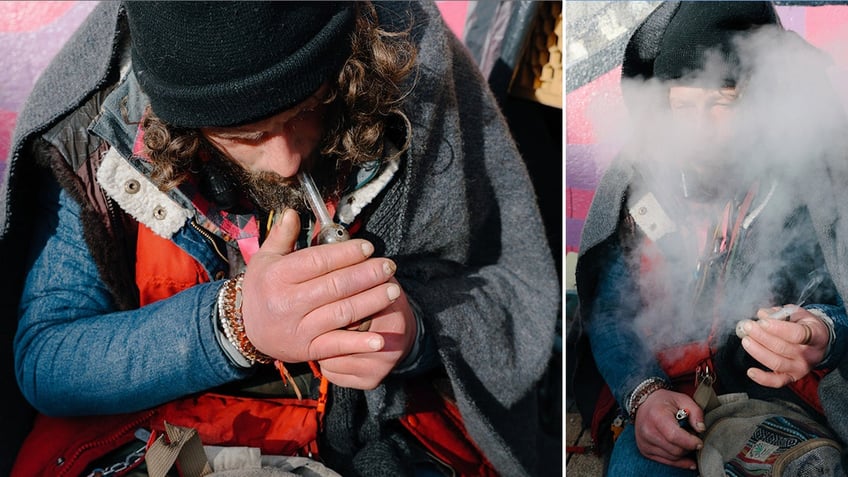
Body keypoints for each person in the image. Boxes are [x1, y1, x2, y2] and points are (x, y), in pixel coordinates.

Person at [0, 1, 560, 476]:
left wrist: (413, 331)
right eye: (245, 135)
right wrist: (234, 326)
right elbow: (46, 359)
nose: (286, 161)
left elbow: (508, 288)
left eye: (307, 110)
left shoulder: (407, 71)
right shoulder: (97, 133)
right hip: (167, 437)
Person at [569, 1, 848, 475]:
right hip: (666, 394)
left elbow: (834, 295)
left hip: (779, 400)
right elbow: (612, 312)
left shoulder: (811, 176)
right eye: (682, 105)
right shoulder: (639, 185)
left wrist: (821, 331)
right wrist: (643, 394)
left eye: (722, 102)